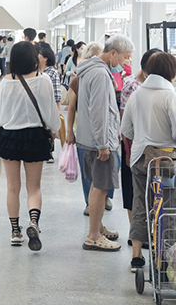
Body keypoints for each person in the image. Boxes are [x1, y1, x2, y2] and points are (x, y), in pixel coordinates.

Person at [120, 51, 176, 273]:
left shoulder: (137, 94)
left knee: (140, 203)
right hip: (166, 161)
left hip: (140, 158)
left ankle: (137, 256)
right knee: (169, 205)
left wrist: (142, 136)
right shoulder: (170, 96)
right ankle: (167, 257)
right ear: (171, 72)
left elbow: (126, 129)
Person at [0, 41, 61, 252]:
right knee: (34, 187)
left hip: (10, 136)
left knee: (12, 187)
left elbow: (1, 115)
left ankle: (15, 232)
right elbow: (51, 113)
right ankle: (34, 222)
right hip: (35, 136)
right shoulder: (43, 80)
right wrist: (55, 129)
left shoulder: (6, 82)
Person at [74, 34, 134, 251]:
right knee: (101, 188)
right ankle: (93, 236)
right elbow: (99, 111)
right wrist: (103, 144)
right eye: (125, 57)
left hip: (89, 138)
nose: (126, 63)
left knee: (95, 186)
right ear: (113, 53)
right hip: (99, 141)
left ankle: (97, 227)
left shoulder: (91, 69)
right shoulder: (100, 74)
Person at [66, 42, 115, 215]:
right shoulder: (78, 80)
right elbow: (71, 108)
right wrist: (69, 131)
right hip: (85, 132)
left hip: (103, 132)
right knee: (89, 174)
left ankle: (103, 197)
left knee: (108, 169)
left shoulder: (107, 76)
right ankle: (90, 202)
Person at [118, 48, 161, 230]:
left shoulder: (154, 86)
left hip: (151, 147)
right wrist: (130, 152)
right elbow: (125, 124)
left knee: (148, 191)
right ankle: (135, 231)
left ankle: (148, 232)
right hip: (133, 146)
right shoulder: (132, 86)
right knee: (133, 191)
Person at [37, 42, 63, 164]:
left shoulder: (52, 72)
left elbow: (57, 93)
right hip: (38, 103)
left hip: (49, 104)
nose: (38, 56)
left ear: (45, 58)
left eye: (40, 55)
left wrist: (58, 110)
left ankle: (49, 152)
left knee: (48, 128)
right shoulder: (36, 71)